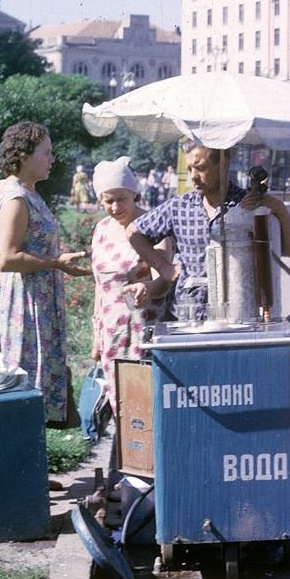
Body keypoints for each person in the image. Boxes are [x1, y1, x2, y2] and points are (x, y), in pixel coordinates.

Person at [0, 121, 91, 425]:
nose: (51, 159)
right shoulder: (16, 198)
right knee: (24, 377)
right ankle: (20, 466)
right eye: (46, 153)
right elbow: (6, 258)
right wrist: (56, 263)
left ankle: (31, 467)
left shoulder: (26, 192)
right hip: (25, 304)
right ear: (24, 155)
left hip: (33, 301)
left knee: (32, 379)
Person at [126, 143, 290, 321]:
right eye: (190, 169)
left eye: (201, 168)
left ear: (223, 163)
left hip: (238, 316)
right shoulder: (179, 206)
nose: (193, 177)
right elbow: (133, 232)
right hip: (186, 317)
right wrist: (164, 268)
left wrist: (278, 208)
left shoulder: (248, 206)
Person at [90, 157, 171, 412]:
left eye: (121, 199)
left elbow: (166, 276)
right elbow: (99, 285)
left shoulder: (153, 226)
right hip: (110, 330)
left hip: (144, 328)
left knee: (146, 403)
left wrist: (147, 289)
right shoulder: (101, 229)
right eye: (108, 200)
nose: (115, 207)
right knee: (120, 405)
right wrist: (96, 336)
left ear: (133, 193)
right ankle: (124, 451)